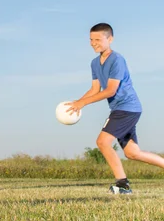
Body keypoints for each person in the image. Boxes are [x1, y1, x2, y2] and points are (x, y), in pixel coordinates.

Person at [66, 22, 164, 194]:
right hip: (122, 109)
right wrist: (77, 103)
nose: (93, 43)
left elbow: (110, 89)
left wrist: (83, 103)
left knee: (102, 142)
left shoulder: (117, 59)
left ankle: (123, 185)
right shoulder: (94, 63)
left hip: (127, 108)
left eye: (97, 39)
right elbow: (95, 89)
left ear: (110, 39)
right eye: (91, 39)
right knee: (133, 153)